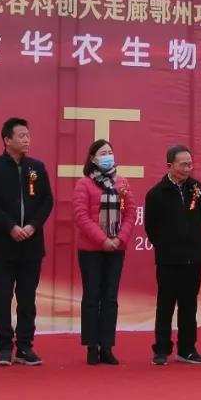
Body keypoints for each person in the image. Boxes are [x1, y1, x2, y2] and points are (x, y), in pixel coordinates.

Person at [0, 117, 53, 366]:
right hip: (2, 243)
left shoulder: (37, 167)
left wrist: (32, 226)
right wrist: (10, 226)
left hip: (31, 243)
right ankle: (3, 347)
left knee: (27, 298)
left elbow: (47, 201)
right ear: (7, 139)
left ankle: (24, 347)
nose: (27, 140)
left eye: (28, 135)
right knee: (1, 297)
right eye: (21, 136)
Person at [144, 145, 201, 366]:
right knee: (166, 304)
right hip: (168, 260)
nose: (188, 168)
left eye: (190, 164)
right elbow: (151, 227)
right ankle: (161, 349)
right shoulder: (156, 194)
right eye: (183, 164)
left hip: (194, 258)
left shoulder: (197, 188)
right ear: (170, 166)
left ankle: (187, 349)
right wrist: (166, 247)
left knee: (189, 305)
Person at [73, 138, 134, 365]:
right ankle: (91, 346)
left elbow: (130, 213)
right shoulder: (84, 184)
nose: (108, 156)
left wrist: (119, 238)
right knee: (92, 296)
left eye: (110, 152)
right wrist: (103, 240)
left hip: (116, 248)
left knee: (110, 298)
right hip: (91, 250)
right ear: (93, 159)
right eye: (102, 153)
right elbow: (81, 216)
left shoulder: (122, 183)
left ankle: (107, 347)